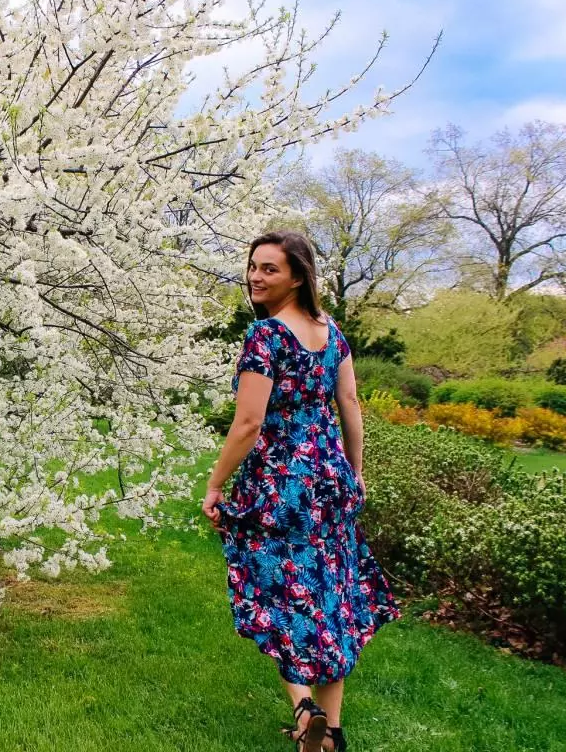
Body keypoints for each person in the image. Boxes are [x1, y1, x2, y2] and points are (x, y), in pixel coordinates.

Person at [202, 230, 399, 752]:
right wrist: (354, 473)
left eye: (269, 269)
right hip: (329, 478)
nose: (255, 276)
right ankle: (329, 732)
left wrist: (216, 484)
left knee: (274, 590)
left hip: (281, 480)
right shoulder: (332, 333)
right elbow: (350, 404)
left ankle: (304, 705)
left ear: (297, 277)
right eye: (253, 266)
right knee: (331, 593)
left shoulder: (266, 337)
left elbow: (248, 422)